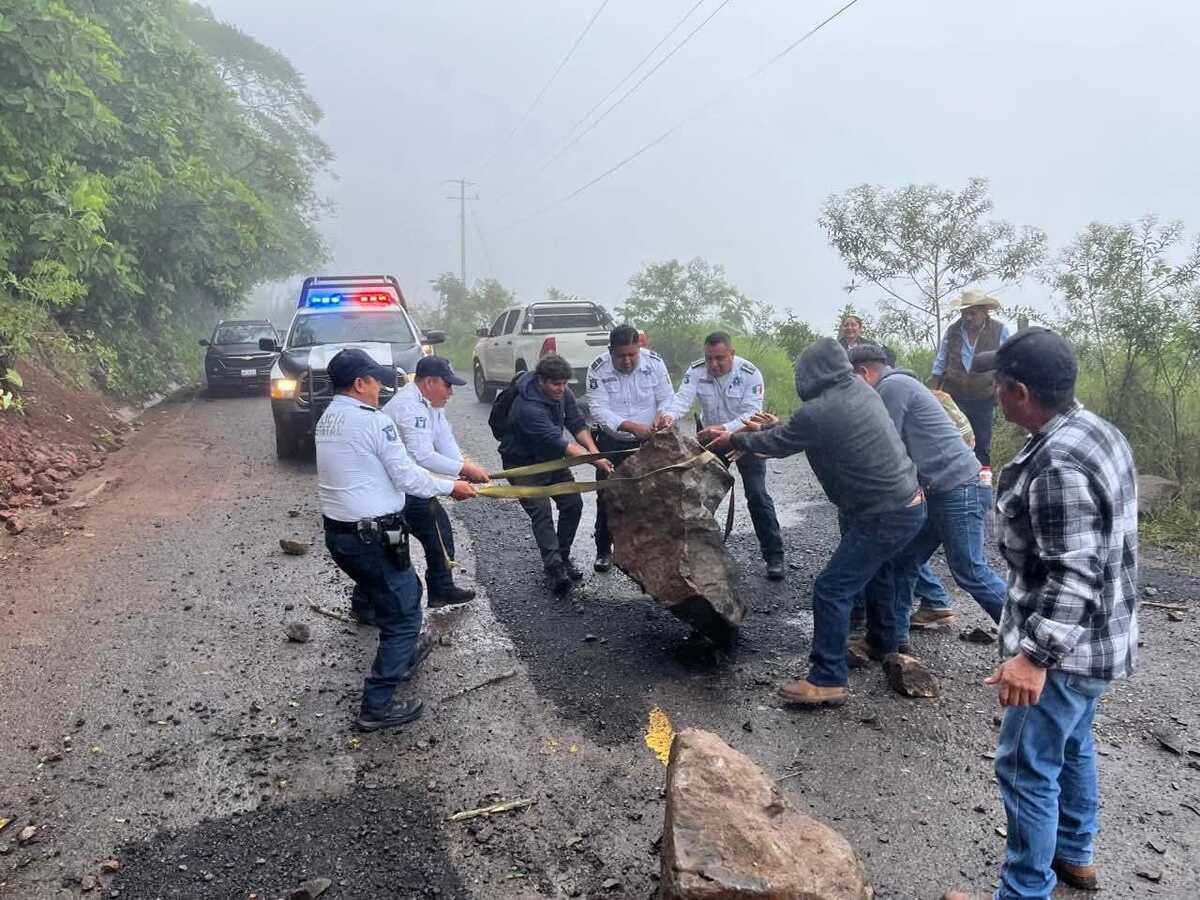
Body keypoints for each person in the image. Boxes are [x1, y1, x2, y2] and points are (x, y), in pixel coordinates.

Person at [943, 328, 1139, 900]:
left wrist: (1033, 658)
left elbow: (1074, 573)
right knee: (1073, 744)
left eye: (999, 386)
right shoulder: (1095, 430)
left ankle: (1024, 890)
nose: (995, 396)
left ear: (1019, 391)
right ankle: (1074, 855)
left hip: (1067, 650)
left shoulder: (1056, 465)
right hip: (1102, 640)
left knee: (1027, 765)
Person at [710, 338, 926, 707]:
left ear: (810, 374)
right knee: (878, 575)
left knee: (831, 588)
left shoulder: (822, 410)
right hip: (907, 505)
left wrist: (734, 438)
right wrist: (769, 431)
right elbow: (803, 430)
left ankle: (827, 679)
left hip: (882, 513)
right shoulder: (858, 388)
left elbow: (781, 441)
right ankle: (883, 644)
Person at [315, 349, 476, 732]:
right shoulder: (373, 423)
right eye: (374, 381)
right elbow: (408, 476)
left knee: (391, 592)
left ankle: (399, 656)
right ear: (359, 384)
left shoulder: (328, 418)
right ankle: (377, 705)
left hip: (340, 534)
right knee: (405, 613)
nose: (379, 388)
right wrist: (452, 486)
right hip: (369, 536)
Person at [848, 344, 1006, 660]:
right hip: (939, 490)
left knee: (969, 569)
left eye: (850, 381)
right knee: (903, 561)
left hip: (960, 487)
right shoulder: (898, 385)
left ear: (864, 373)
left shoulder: (892, 387)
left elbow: (883, 445)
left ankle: (1032, 641)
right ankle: (891, 641)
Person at [656, 331, 785, 579]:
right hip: (710, 439)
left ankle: (774, 556)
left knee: (757, 495)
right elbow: (681, 400)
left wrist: (727, 431)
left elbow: (752, 414)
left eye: (720, 359)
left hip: (745, 438)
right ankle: (697, 555)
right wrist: (669, 417)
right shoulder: (696, 371)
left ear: (732, 354)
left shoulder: (750, 374)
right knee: (700, 495)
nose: (713, 365)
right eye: (709, 359)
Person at [500, 353, 614, 594]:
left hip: (551, 460)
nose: (561, 389)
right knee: (541, 513)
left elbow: (577, 425)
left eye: (564, 384)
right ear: (541, 381)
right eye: (555, 384)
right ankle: (554, 569)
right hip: (524, 465)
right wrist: (596, 463)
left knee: (573, 503)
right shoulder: (527, 409)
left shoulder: (564, 393)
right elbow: (565, 445)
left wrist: (597, 454)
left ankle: (563, 557)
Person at [382, 356, 490, 607]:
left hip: (411, 482)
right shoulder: (410, 407)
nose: (451, 392)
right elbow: (422, 455)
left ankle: (440, 588)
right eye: (447, 385)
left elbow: (444, 439)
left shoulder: (432, 404)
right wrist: (462, 470)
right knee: (413, 539)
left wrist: (462, 470)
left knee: (417, 537)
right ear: (429, 382)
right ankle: (438, 589)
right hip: (398, 487)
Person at [585, 323, 674, 572]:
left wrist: (664, 416)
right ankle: (604, 550)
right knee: (606, 496)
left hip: (649, 440)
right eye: (620, 355)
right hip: (612, 441)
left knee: (650, 495)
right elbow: (598, 410)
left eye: (631, 354)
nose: (626, 361)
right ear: (611, 350)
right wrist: (630, 426)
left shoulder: (654, 364)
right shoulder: (598, 369)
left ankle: (646, 552)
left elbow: (667, 397)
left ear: (640, 348)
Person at [930, 289, 1010, 468]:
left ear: (984, 312)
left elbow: (1008, 361)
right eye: (964, 313)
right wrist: (934, 391)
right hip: (954, 396)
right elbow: (941, 362)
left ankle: (981, 483)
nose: (968, 317)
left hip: (984, 396)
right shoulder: (953, 331)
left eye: (972, 313)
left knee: (982, 444)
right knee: (954, 441)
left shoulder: (1000, 330)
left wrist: (1004, 390)